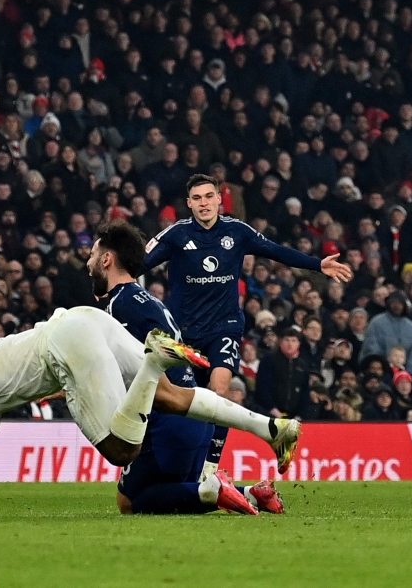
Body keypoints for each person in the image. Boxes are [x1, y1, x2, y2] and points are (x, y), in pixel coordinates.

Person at [0, 306, 300, 520]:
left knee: (122, 450)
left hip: (63, 346)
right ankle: (271, 429)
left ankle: (154, 362)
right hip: (84, 319)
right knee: (172, 397)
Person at [143, 174, 352, 479]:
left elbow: (276, 251)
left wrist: (317, 264)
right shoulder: (175, 235)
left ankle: (210, 471)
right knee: (184, 403)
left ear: (219, 199)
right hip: (184, 335)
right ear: (189, 204)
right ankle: (180, 468)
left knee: (218, 391)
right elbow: (139, 264)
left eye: (208, 196)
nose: (203, 203)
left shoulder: (237, 231)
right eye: (197, 198)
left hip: (223, 328)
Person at [88, 221, 283, 516]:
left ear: (106, 259)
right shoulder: (148, 301)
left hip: (168, 419)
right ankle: (252, 494)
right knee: (177, 492)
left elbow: (123, 369)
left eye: (92, 255)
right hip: (196, 418)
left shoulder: (120, 305)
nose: (88, 262)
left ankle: (214, 489)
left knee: (129, 502)